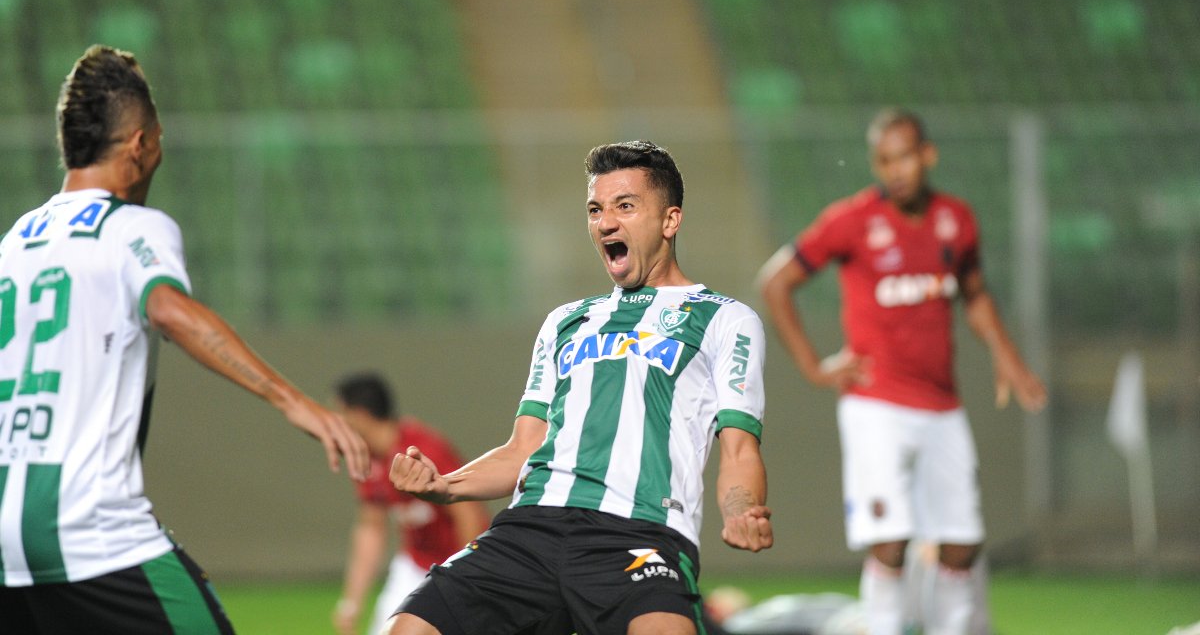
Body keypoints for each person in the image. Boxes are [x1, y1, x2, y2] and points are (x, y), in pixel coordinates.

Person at [0, 45, 370, 634]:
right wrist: (294, 401)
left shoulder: (15, 242)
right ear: (140, 145)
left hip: (8, 545)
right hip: (91, 531)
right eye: (159, 138)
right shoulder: (132, 229)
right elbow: (169, 310)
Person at [385, 141, 773, 635]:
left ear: (670, 220)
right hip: (530, 527)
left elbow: (739, 447)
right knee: (411, 628)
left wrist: (741, 511)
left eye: (625, 206)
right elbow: (522, 448)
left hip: (638, 534)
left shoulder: (725, 318)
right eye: (596, 209)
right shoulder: (566, 321)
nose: (605, 222)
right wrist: (444, 485)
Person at [757, 108, 1047, 635]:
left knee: (962, 544)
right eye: (886, 160)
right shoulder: (853, 220)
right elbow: (776, 282)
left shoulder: (955, 219)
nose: (897, 170)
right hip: (877, 403)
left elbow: (975, 294)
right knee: (890, 540)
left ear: (927, 155)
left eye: (906, 157)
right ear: (876, 164)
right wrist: (815, 367)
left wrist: (1007, 356)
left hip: (942, 404)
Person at [332, 373, 490, 635]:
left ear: (360, 414)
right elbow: (371, 529)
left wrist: (469, 575)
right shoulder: (366, 459)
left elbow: (468, 513)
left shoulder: (421, 448)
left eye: (341, 413)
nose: (337, 422)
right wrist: (351, 603)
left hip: (455, 562)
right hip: (415, 565)